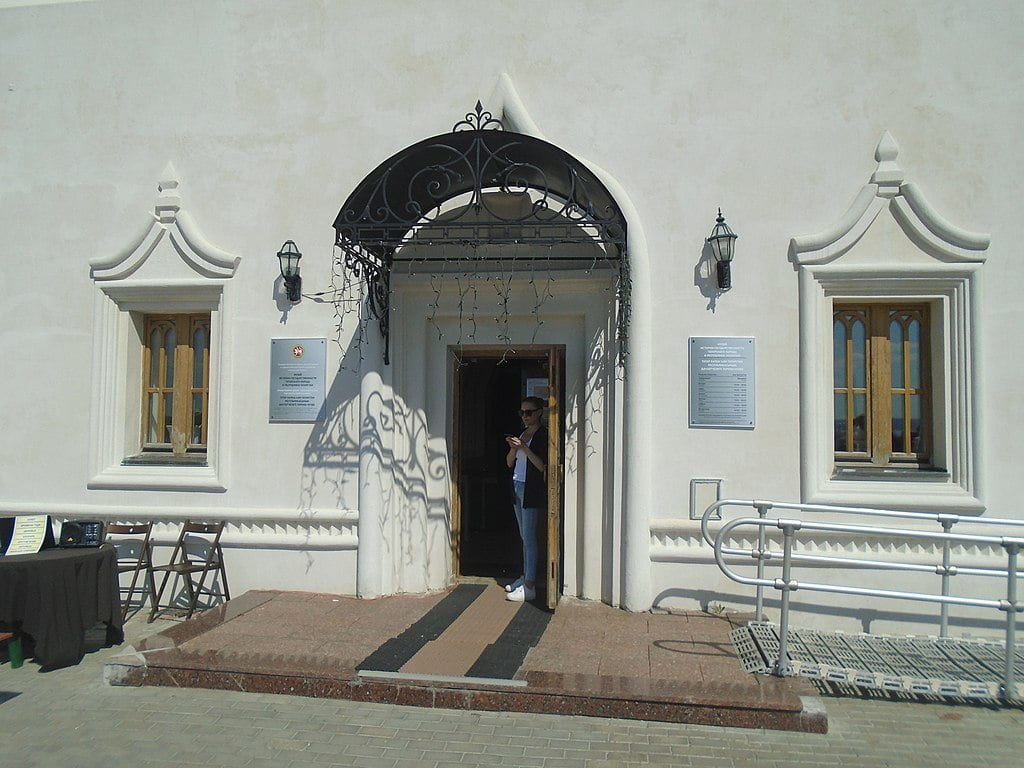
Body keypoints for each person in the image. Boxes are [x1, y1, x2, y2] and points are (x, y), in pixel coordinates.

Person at [504, 396, 548, 602]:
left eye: (529, 412)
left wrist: (524, 447)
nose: (525, 416)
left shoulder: (542, 435)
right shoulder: (523, 433)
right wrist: (514, 448)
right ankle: (525, 576)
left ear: (539, 412)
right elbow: (509, 463)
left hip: (531, 489)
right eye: (522, 412)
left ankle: (530, 584)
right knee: (524, 536)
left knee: (530, 537)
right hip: (518, 485)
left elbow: (541, 466)